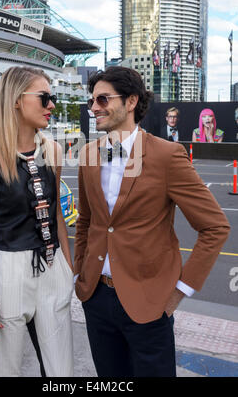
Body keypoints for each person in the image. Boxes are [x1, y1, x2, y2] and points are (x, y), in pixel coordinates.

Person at [74, 66, 230, 378]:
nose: (93, 108)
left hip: (149, 304)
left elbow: (215, 227)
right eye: (92, 101)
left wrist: (177, 294)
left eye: (102, 100)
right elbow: (86, 220)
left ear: (131, 102)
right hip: (96, 299)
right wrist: (81, 273)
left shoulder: (166, 155)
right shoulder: (89, 154)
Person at [0, 66, 74, 377]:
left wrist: (69, 268)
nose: (52, 105)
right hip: (6, 271)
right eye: (44, 97)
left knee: (61, 372)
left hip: (52, 267)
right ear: (16, 101)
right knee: (4, 370)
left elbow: (56, 216)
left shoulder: (53, 150)